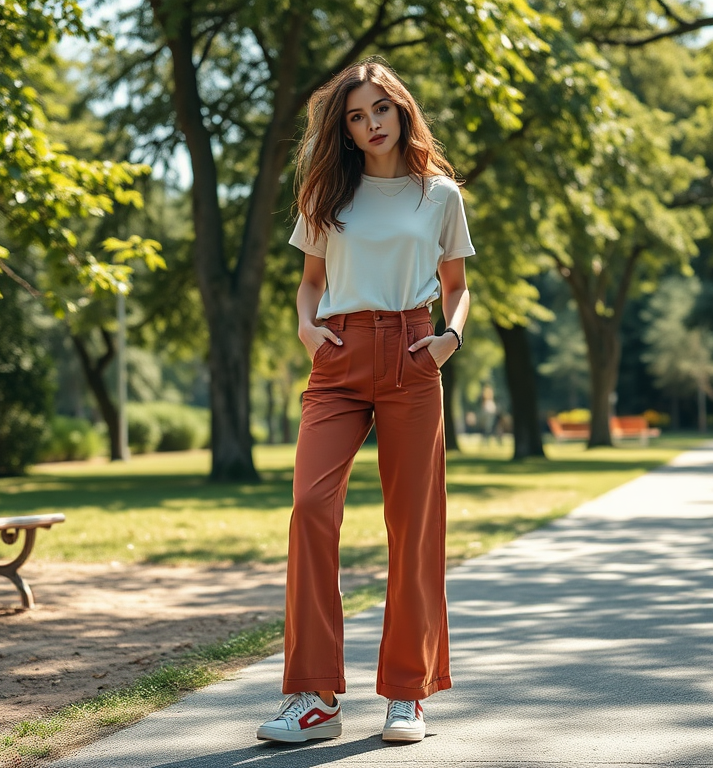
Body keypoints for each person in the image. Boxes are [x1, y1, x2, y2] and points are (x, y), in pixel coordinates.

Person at [255, 59, 473, 745]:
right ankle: (314, 697)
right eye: (356, 115)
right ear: (344, 128)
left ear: (402, 109)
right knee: (310, 509)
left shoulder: (438, 195)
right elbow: (310, 281)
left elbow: (457, 283)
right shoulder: (327, 194)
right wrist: (306, 326)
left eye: (381, 108)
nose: (370, 122)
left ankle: (407, 694)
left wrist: (449, 337)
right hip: (340, 358)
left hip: (413, 350)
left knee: (414, 527)